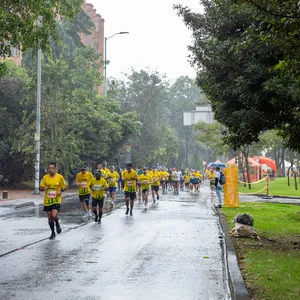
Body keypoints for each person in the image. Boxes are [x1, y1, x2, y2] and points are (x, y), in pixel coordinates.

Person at [39, 162, 68, 240]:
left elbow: (65, 186)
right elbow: (40, 188)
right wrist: (43, 188)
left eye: (52, 168)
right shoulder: (45, 177)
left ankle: (57, 224)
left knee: (54, 215)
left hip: (56, 200)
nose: (50, 169)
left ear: (55, 169)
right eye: (49, 168)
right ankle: (52, 232)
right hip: (47, 200)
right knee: (49, 217)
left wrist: (61, 190)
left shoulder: (60, 177)